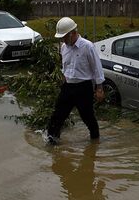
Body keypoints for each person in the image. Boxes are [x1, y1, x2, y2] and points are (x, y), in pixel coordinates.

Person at [44, 17, 105, 145]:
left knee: (87, 117)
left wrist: (99, 89)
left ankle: (95, 142)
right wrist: (63, 81)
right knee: (57, 116)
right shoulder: (64, 47)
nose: (62, 40)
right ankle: (51, 143)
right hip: (68, 87)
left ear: (72, 33)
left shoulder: (87, 46)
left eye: (64, 37)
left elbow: (97, 68)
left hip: (84, 88)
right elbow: (65, 67)